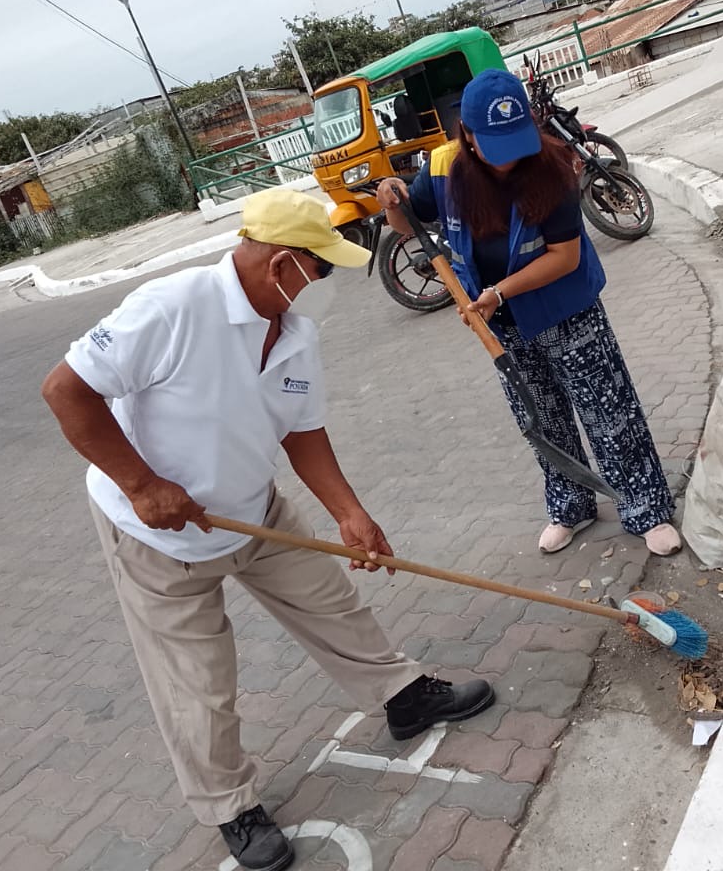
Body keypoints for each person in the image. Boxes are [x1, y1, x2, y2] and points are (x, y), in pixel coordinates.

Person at [40, 187, 494, 871]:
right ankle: (230, 807)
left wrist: (349, 512)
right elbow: (65, 390)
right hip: (159, 538)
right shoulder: (172, 307)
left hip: (255, 510)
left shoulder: (295, 329)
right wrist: (141, 484)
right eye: (323, 268)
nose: (328, 283)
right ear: (282, 263)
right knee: (196, 683)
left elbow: (302, 432)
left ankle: (403, 697)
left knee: (333, 605)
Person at [377, 68, 682, 558]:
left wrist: (499, 292)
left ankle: (646, 509)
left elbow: (564, 256)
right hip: (503, 324)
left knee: (609, 413)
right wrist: (392, 197)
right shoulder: (442, 169)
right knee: (540, 417)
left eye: (515, 142)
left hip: (566, 311)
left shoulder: (552, 166)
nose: (509, 160)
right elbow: (407, 223)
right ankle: (571, 506)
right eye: (494, 147)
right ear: (466, 134)